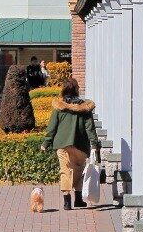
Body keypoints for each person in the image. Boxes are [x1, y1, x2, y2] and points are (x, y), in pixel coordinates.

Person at [40, 77, 100, 210]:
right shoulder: (85, 108)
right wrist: (95, 144)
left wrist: (46, 143)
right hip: (80, 145)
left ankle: (67, 202)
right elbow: (90, 128)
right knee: (78, 170)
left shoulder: (59, 107)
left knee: (65, 171)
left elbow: (52, 127)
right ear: (76, 89)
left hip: (63, 145)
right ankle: (78, 200)